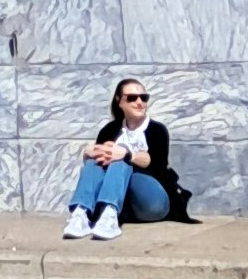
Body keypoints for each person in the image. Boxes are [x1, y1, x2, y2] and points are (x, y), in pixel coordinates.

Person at [62, 79, 190, 235]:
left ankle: (110, 215)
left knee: (120, 161)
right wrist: (89, 153)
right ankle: (81, 214)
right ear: (119, 101)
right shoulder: (109, 130)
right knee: (94, 163)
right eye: (132, 98)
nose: (139, 102)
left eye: (144, 98)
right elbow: (100, 165)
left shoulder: (157, 130)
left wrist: (126, 155)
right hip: (125, 203)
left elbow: (156, 163)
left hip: (153, 201)